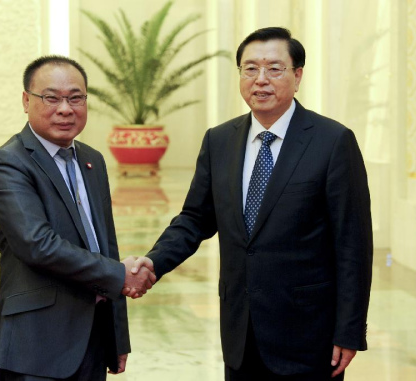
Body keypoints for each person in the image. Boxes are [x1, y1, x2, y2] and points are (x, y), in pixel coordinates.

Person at [129, 27, 373, 380]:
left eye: (274, 69)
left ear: (298, 75)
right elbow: (195, 219)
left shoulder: (333, 142)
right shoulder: (219, 141)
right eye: (250, 68)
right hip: (240, 333)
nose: (261, 80)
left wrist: (349, 330)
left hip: (308, 335)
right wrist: (152, 263)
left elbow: (353, 244)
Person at [0, 55, 156, 380]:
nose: (65, 109)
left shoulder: (93, 160)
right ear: (26, 100)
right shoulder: (8, 164)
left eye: (75, 98)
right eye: (51, 98)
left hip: (92, 340)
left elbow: (105, 245)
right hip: (36, 346)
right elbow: (38, 245)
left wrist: (118, 337)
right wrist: (121, 274)